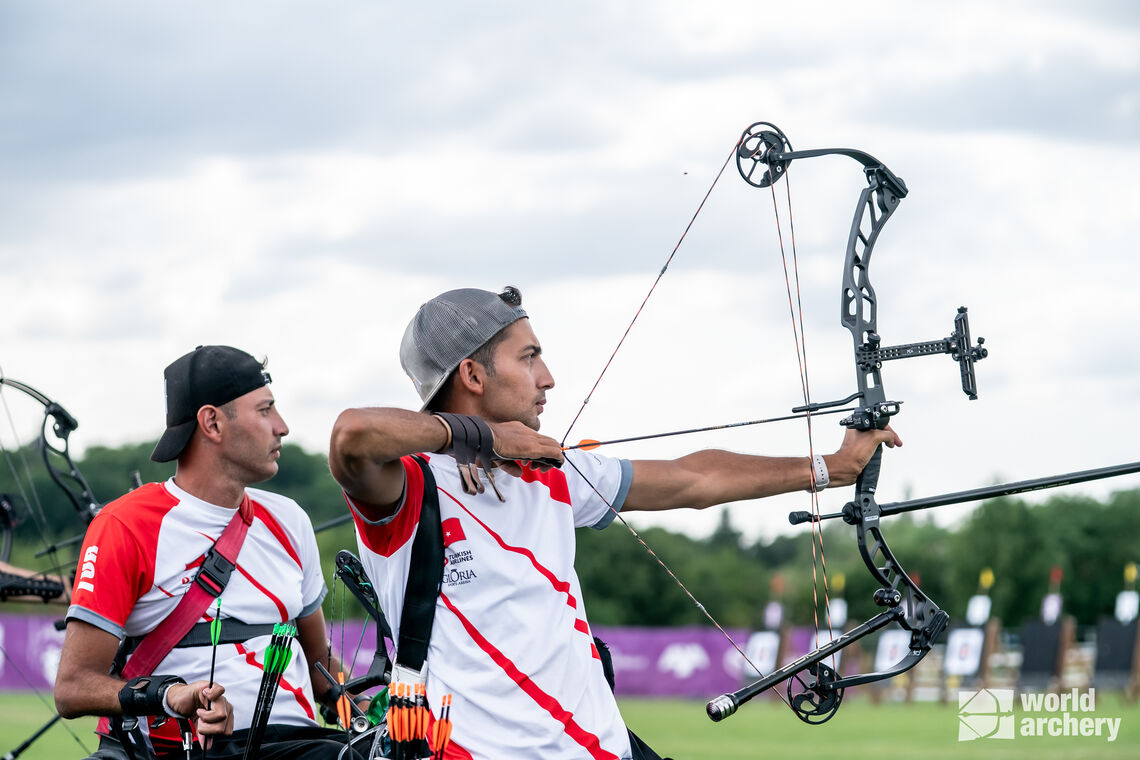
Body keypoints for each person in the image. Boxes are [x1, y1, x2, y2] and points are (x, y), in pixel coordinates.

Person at [328, 286, 901, 760]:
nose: (547, 377)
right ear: (473, 375)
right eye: (528, 357)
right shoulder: (407, 487)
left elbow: (693, 479)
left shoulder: (553, 473)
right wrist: (482, 437)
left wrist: (831, 467)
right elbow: (352, 435)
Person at [56, 346, 362, 760]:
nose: (283, 427)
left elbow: (319, 665)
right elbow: (73, 687)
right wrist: (171, 695)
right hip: (184, 750)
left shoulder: (289, 519)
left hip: (301, 744)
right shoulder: (125, 525)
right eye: (266, 410)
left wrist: (371, 706)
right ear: (212, 423)